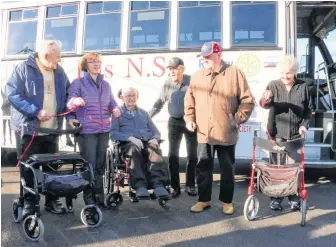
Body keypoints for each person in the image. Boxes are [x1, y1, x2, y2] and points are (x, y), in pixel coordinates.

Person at [184, 41, 255, 214]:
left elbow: (247, 100)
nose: (205, 59)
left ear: (219, 54)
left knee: (227, 168)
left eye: (208, 55)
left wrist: (236, 119)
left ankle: (227, 202)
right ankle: (203, 200)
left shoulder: (234, 72)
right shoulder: (197, 75)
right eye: (203, 56)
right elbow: (189, 100)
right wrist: (189, 118)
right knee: (203, 166)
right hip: (203, 132)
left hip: (226, 131)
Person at [6, 40, 70, 216]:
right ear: (47, 55)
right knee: (28, 168)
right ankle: (29, 202)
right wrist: (36, 111)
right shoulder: (24, 68)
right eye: (57, 57)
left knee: (51, 166)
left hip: (51, 129)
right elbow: (12, 94)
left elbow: (67, 94)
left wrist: (71, 114)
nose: (59, 61)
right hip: (29, 129)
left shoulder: (59, 71)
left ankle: (51, 200)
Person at [259, 55, 313, 211]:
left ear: (294, 72)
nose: (285, 77)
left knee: (293, 168)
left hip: (295, 134)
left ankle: (294, 198)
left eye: (288, 73)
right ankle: (276, 199)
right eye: (282, 74)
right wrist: (266, 99)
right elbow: (264, 105)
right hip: (276, 133)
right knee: (277, 168)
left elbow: (308, 110)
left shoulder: (303, 87)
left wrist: (304, 125)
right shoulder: (273, 85)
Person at [67, 52, 121, 208]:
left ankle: (99, 196)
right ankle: (89, 197)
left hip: (103, 129)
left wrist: (116, 109)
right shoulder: (78, 83)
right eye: (92, 61)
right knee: (89, 165)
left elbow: (112, 103)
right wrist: (75, 101)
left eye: (99, 61)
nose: (97, 64)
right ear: (85, 65)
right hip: (87, 131)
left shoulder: (106, 85)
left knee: (100, 165)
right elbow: (69, 103)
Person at [149, 57, 197, 198]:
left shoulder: (192, 81)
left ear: (182, 68)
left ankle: (190, 185)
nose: (172, 72)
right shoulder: (167, 84)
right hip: (174, 122)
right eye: (170, 69)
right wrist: (148, 115)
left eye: (174, 69)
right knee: (173, 156)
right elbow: (160, 102)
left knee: (192, 156)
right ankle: (175, 186)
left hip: (191, 122)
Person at [111, 87, 170, 199]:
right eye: (128, 96)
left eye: (133, 95)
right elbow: (113, 134)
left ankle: (158, 184)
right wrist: (130, 138)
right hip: (128, 144)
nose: (131, 98)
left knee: (154, 148)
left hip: (146, 142)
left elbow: (156, 132)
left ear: (137, 97)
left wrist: (155, 138)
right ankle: (140, 186)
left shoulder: (144, 113)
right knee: (133, 149)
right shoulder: (117, 113)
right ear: (122, 98)